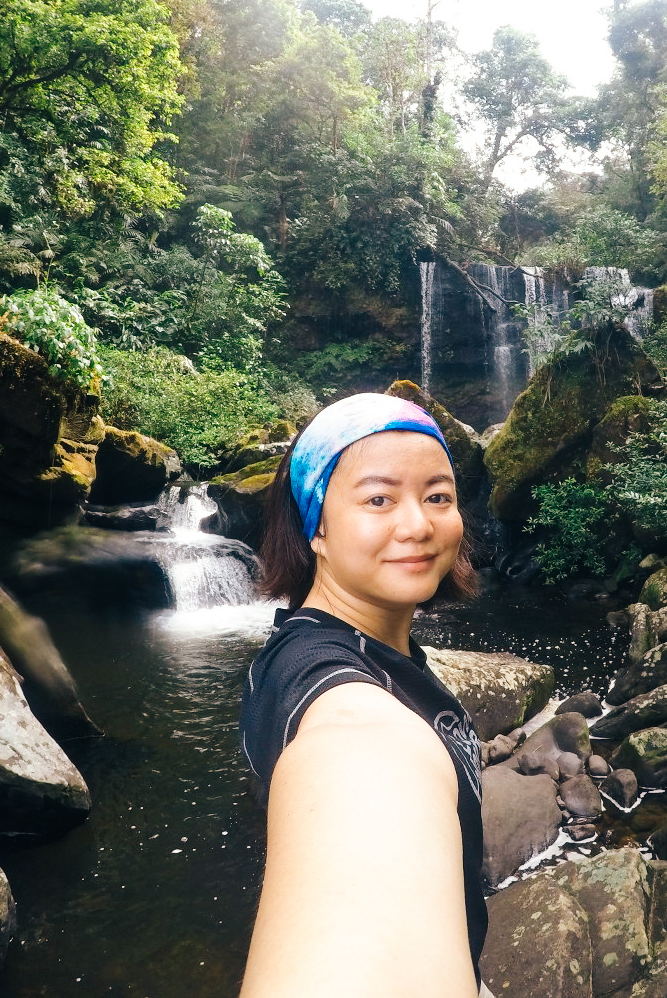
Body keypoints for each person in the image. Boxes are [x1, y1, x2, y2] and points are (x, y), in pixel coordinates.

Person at [238, 393, 487, 998]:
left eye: (438, 497)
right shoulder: (329, 689)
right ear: (316, 527)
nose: (418, 525)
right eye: (379, 499)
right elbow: (361, 759)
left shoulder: (312, 647)